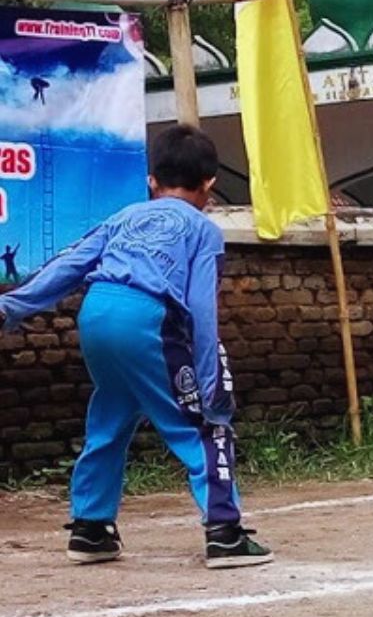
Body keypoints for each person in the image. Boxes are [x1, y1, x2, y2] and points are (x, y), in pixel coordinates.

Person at [0, 125, 272, 568]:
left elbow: (69, 264)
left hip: (96, 314)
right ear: (210, 186)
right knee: (202, 425)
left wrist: (10, 305)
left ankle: (91, 528)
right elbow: (202, 312)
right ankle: (225, 532)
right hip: (150, 320)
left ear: (151, 182)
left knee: (111, 414)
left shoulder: (124, 217)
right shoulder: (203, 231)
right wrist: (210, 387)